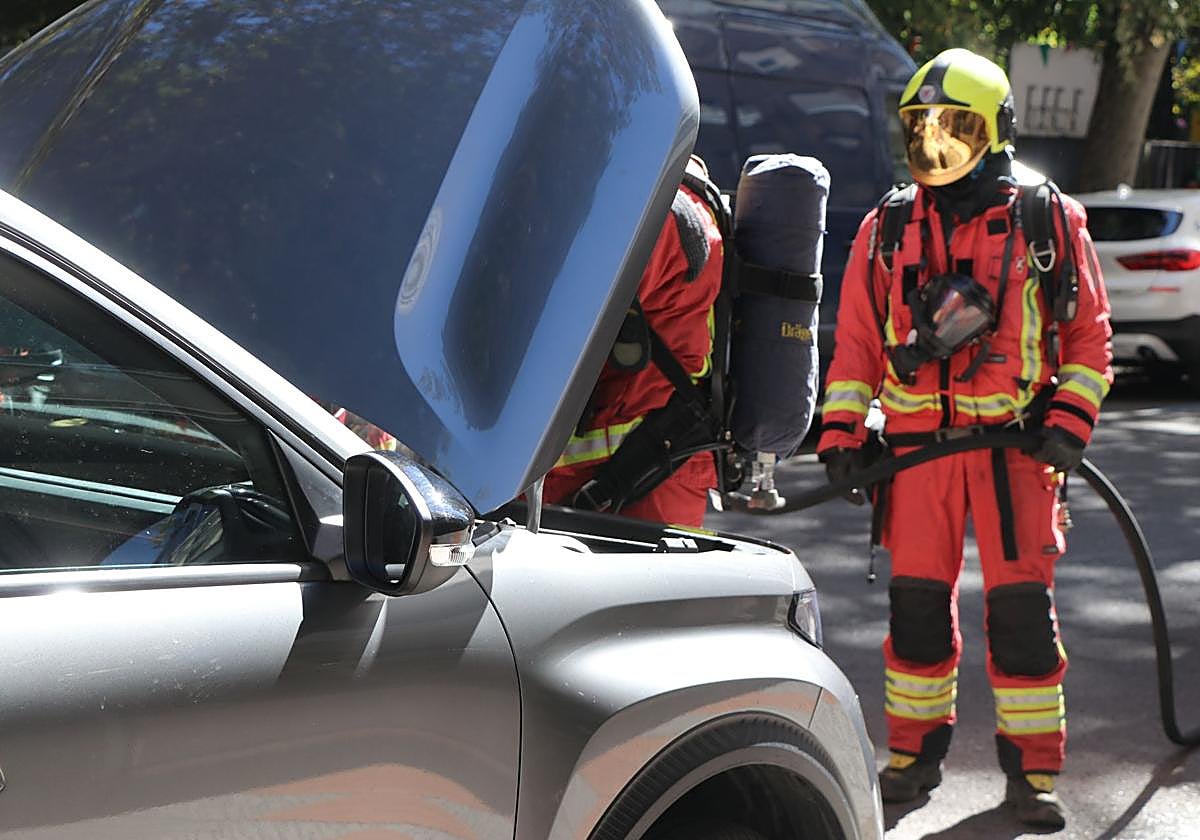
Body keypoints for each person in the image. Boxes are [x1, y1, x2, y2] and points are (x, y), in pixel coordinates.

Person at [817, 49, 1112, 829]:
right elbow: (854, 346)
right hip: (917, 456)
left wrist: (1069, 422)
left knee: (1020, 621)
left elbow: (1088, 341)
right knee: (914, 613)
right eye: (922, 128)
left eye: (954, 127)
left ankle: (1033, 778)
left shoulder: (1045, 219)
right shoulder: (887, 226)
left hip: (1016, 452)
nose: (935, 145)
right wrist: (843, 433)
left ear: (997, 131)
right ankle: (913, 762)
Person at [543, 156, 723, 527]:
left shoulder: (660, 216)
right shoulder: (666, 207)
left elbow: (561, 310)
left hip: (638, 475)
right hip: (637, 471)